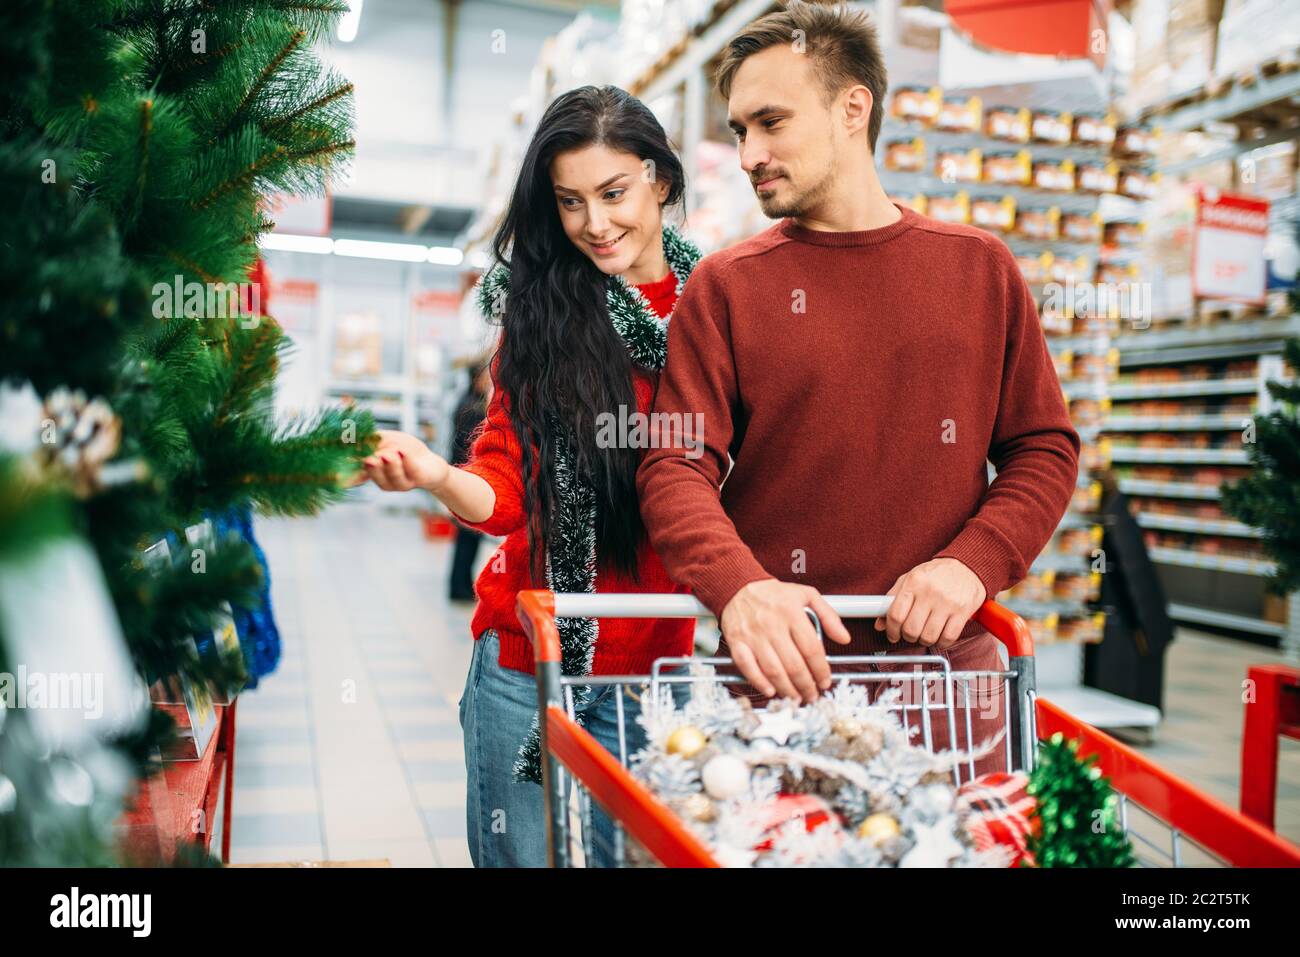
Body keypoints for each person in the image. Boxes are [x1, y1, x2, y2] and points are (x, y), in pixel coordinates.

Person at [637, 2, 1080, 772]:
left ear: (853, 108)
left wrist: (972, 562)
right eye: (740, 129)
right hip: (778, 678)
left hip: (947, 683)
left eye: (770, 121)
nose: (748, 153)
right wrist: (740, 588)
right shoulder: (726, 287)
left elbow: (1042, 446)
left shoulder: (979, 270)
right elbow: (675, 464)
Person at [359, 85, 703, 866]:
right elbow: (503, 489)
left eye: (613, 193)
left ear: (661, 181)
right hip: (531, 662)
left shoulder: (717, 311)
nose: (595, 223)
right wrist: (437, 474)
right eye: (570, 202)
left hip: (660, 672)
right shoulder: (542, 317)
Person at [447, 360, 491, 602]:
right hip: (468, 480)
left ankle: (461, 585)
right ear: (477, 379)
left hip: (464, 479)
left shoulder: (467, 403)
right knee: (467, 537)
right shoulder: (473, 409)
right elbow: (469, 447)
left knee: (467, 538)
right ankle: (460, 588)